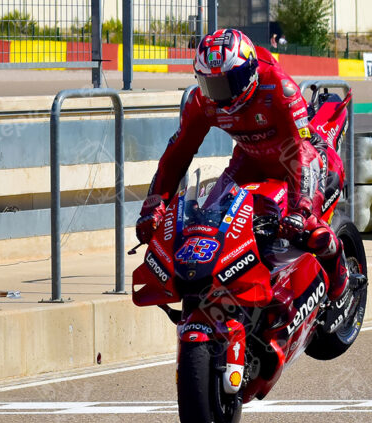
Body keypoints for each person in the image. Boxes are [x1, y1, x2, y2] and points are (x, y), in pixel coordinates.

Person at [136, 28, 349, 301]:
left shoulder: (279, 87)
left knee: (306, 227)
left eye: (228, 82)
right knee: (209, 223)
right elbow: (177, 155)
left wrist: (302, 208)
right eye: (211, 84)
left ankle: (337, 265)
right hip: (250, 159)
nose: (219, 94)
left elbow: (301, 152)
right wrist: (154, 205)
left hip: (303, 160)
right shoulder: (202, 101)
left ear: (249, 71)